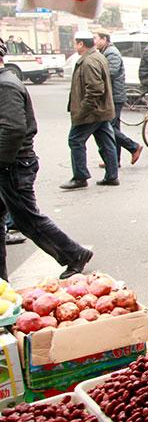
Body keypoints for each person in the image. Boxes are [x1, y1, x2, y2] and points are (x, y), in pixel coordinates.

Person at [0, 40, 94, 279]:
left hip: (13, 165)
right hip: (10, 164)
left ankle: (74, 254)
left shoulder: (6, 86)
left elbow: (12, 130)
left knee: (27, 219)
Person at [61, 31, 119, 190]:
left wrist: (82, 111)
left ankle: (80, 177)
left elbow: (94, 90)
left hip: (92, 112)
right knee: (106, 142)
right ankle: (112, 175)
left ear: (81, 44)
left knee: (75, 140)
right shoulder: (98, 57)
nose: (75, 46)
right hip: (102, 110)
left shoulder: (89, 61)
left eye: (75, 43)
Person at [95, 32, 143, 167]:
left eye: (96, 38)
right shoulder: (106, 52)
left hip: (114, 96)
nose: (94, 41)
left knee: (107, 127)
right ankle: (114, 160)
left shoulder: (111, 53)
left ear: (104, 39)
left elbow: (111, 72)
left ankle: (133, 146)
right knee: (113, 127)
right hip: (112, 95)